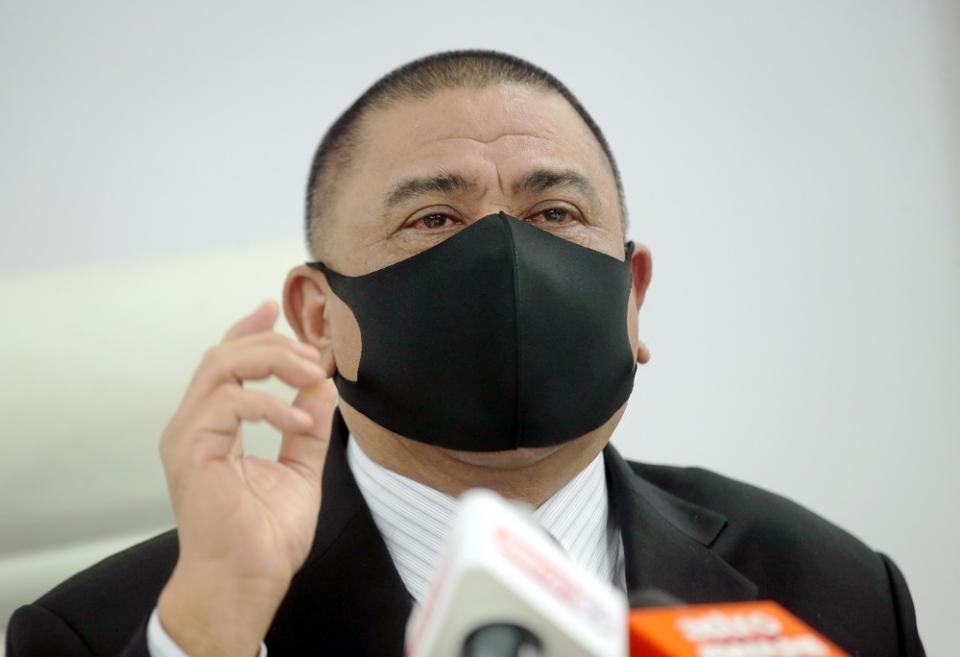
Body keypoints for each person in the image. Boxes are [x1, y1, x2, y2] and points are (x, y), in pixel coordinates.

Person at [6, 50, 924, 657]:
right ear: (319, 319)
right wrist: (213, 623)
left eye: (555, 214)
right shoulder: (114, 627)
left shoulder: (833, 590)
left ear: (633, 296)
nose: (507, 261)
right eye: (433, 219)